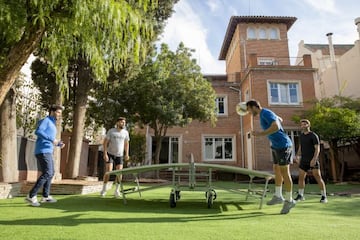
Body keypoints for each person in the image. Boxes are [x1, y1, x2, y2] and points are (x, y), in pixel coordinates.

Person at [246, 100, 296, 214]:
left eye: (249, 109)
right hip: (276, 146)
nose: (248, 112)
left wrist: (260, 134)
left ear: (254, 107)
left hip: (284, 145)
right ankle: (278, 196)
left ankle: (289, 200)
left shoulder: (265, 113)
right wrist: (277, 118)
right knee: (276, 170)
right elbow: (280, 119)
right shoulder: (265, 114)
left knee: (284, 172)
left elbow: (276, 127)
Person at [25, 105, 65, 207]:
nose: (59, 115)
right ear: (52, 111)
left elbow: (50, 138)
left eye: (60, 113)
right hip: (42, 151)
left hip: (48, 150)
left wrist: (58, 143)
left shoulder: (52, 123)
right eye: (58, 112)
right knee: (47, 173)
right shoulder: (46, 121)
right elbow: (38, 131)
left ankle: (45, 196)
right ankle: (31, 195)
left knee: (51, 173)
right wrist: (52, 140)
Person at [294, 119, 328, 203]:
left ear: (308, 125)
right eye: (302, 124)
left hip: (312, 160)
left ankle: (324, 196)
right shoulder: (301, 136)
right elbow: (301, 147)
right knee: (301, 177)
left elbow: (318, 149)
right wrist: (297, 155)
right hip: (304, 160)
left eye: (305, 124)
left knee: (318, 177)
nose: (303, 126)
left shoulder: (313, 135)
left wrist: (314, 159)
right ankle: (300, 195)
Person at [100, 117, 130, 197]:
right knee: (108, 171)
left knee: (119, 173)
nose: (123, 124)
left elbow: (126, 144)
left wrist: (127, 154)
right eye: (121, 122)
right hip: (110, 154)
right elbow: (105, 143)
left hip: (120, 155)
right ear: (117, 123)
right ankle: (104, 189)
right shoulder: (111, 131)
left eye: (124, 122)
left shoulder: (125, 133)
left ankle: (117, 190)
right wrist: (105, 153)